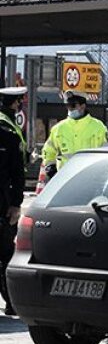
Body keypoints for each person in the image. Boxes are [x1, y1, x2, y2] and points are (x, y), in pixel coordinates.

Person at [0, 87, 28, 316]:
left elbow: (17, 172)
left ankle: (11, 301)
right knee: (5, 254)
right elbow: (18, 173)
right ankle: (11, 301)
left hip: (3, 202)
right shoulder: (9, 130)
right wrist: (15, 204)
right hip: (4, 203)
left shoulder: (8, 131)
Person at [41, 94, 108, 180]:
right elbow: (48, 151)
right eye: (68, 105)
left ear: (83, 106)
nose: (70, 109)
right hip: (64, 179)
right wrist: (51, 168)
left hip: (91, 178)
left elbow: (107, 153)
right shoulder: (58, 128)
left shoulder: (99, 127)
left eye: (73, 105)